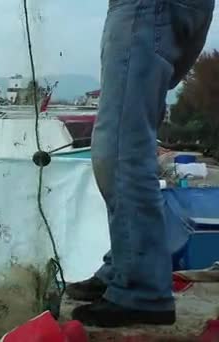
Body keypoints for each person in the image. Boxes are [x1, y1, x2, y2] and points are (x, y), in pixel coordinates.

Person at [68, 0, 215, 327]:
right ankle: (126, 267)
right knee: (133, 137)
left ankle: (140, 289)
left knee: (120, 148)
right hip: (176, 10)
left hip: (148, 8)